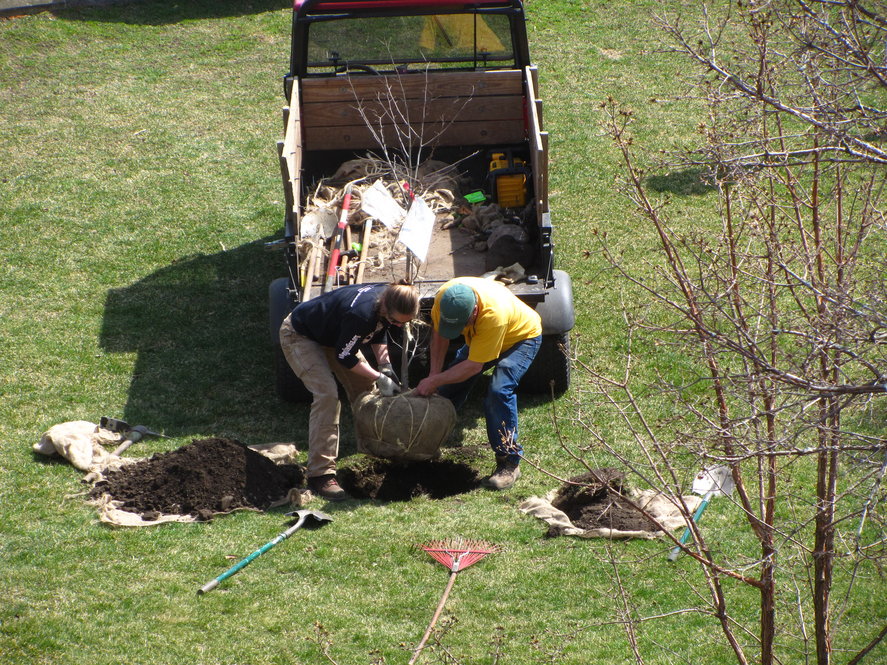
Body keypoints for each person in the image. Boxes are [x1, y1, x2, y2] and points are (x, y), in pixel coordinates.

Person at [279, 281, 420, 500]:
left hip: (334, 335)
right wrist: (378, 376)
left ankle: (373, 446)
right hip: (301, 335)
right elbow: (344, 356)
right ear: (384, 307)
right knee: (327, 395)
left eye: (404, 323)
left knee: (364, 389)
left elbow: (380, 328)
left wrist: (385, 365)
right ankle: (320, 475)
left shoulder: (388, 296)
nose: (399, 326)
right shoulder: (361, 314)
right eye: (395, 320)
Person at [415, 277, 542, 490]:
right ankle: (427, 443)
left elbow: (473, 367)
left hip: (521, 337)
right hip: (482, 336)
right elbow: (439, 337)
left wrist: (435, 380)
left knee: (498, 391)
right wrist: (435, 374)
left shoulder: (493, 315)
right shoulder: (446, 297)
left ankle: (509, 461)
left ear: (474, 311)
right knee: (447, 390)